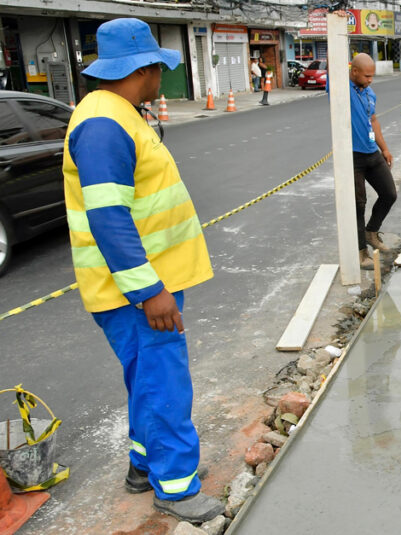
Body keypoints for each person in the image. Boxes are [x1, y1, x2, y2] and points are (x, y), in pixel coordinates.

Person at [62, 18, 223, 523]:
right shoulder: (104, 123)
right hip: (138, 291)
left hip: (145, 284)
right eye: (160, 67)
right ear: (145, 67)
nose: (162, 78)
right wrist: (150, 291)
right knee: (164, 383)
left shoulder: (116, 114)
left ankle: (142, 465)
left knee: (147, 379)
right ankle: (176, 487)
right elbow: (109, 218)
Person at [350, 53, 397, 268]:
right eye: (367, 76)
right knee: (358, 205)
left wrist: (384, 149)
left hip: (372, 153)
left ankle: (371, 232)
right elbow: (333, 67)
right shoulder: (343, 90)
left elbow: (374, 120)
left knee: (389, 194)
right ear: (354, 71)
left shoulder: (369, 93)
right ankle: (361, 253)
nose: (370, 80)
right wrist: (334, 17)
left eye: (372, 76)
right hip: (353, 156)